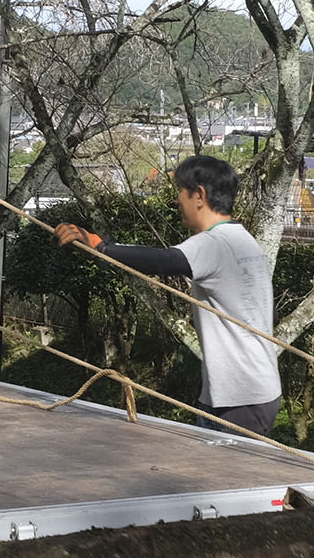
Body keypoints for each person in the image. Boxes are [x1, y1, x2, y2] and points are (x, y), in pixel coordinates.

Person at [54, 154, 281, 436]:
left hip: (239, 398)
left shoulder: (214, 243)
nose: (177, 202)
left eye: (180, 194)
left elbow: (163, 261)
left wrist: (100, 247)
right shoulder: (246, 242)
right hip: (253, 391)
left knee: (225, 477)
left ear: (198, 195)